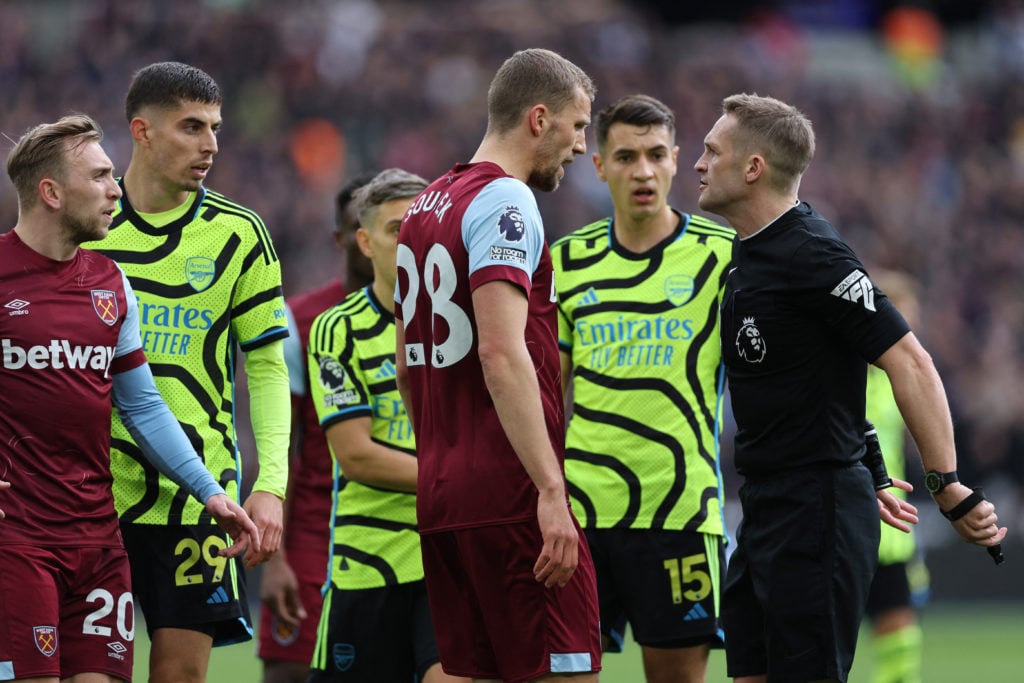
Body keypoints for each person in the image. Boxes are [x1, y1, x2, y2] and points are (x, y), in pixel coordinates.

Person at [693, 92, 1007, 683]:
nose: (699, 163)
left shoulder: (813, 253)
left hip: (815, 509)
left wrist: (947, 486)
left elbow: (910, 361)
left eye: (712, 150)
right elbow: (822, 375)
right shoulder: (745, 258)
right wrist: (870, 463)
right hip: (765, 507)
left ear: (754, 167)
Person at [0, 114, 261, 682]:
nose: (116, 189)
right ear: (51, 192)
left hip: (97, 538)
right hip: (16, 540)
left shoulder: (110, 282)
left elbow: (141, 406)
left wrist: (209, 492)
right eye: (99, 176)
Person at [394, 48, 602, 682]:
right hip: (509, 492)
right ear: (539, 119)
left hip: (444, 490)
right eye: (578, 126)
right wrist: (549, 487)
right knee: (567, 673)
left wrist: (441, 449)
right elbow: (500, 348)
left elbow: (407, 361)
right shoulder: (506, 200)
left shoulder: (424, 205)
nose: (581, 146)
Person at [82, 62, 291, 683]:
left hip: (200, 498)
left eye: (216, 128)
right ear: (141, 131)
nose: (211, 145)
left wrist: (271, 483)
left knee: (181, 677)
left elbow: (268, 366)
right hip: (93, 493)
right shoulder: (84, 228)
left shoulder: (238, 234)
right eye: (191, 126)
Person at [551, 94, 734, 683]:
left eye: (657, 155)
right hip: (581, 517)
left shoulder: (722, 257)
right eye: (626, 156)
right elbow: (547, 397)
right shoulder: (565, 263)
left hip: (680, 511)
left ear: (678, 160)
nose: (644, 171)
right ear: (600, 166)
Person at [305, 168, 467, 683]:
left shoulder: (470, 324)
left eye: (420, 227)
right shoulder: (337, 328)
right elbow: (356, 455)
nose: (412, 241)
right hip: (369, 560)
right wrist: (457, 480)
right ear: (365, 242)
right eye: (398, 229)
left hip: (448, 554)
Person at [257, 171, 376, 683]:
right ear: (341, 237)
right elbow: (278, 444)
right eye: (359, 227)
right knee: (289, 673)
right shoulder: (297, 321)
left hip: (403, 529)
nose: (373, 241)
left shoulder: (435, 320)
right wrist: (276, 559)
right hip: (313, 533)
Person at [863, 269, 930, 683]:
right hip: (851, 520)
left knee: (902, 647)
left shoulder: (897, 379)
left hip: (895, 530)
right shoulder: (847, 372)